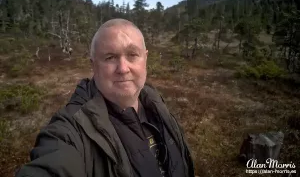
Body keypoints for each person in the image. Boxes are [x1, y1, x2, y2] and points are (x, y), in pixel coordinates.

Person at [15, 19, 194, 177]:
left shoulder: (155, 102)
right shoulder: (70, 130)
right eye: (110, 57)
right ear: (93, 65)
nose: (123, 68)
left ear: (145, 58)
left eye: (132, 55)